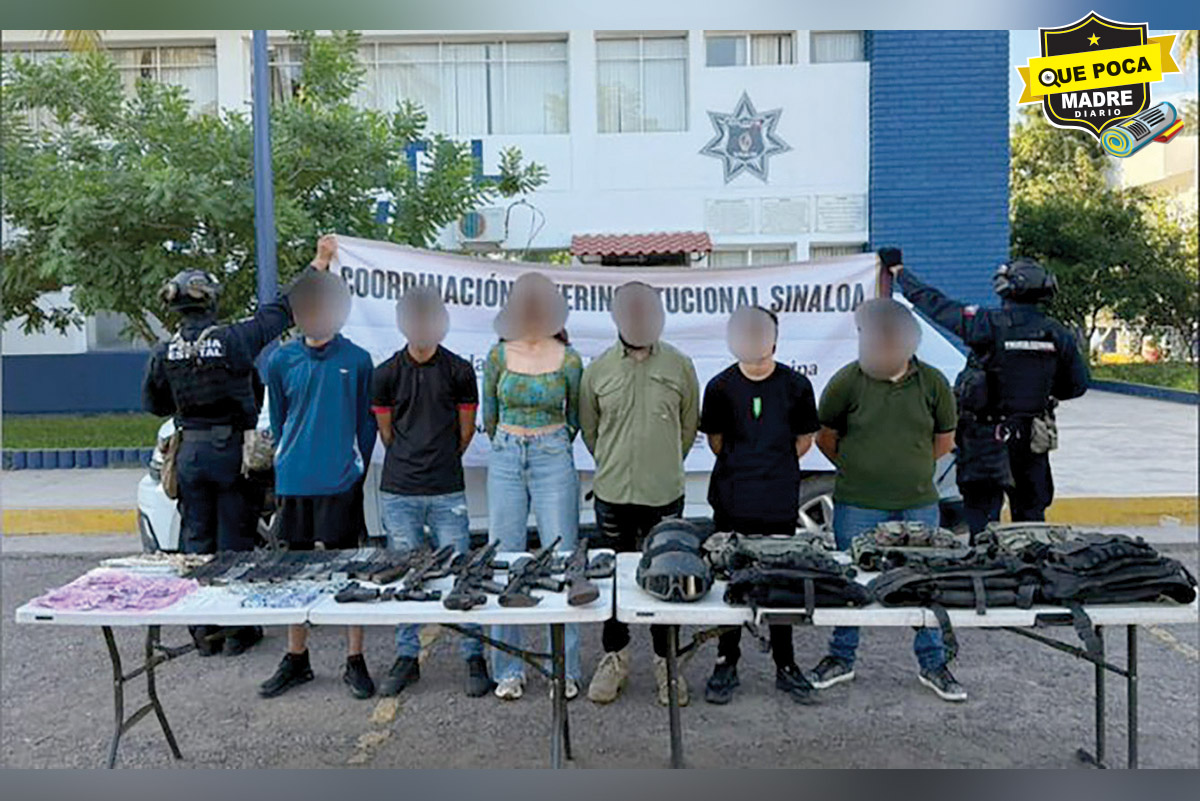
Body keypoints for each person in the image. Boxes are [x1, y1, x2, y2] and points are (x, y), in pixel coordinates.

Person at [142, 236, 335, 657]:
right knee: (235, 540)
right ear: (211, 301)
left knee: (196, 542)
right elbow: (283, 309)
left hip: (189, 454)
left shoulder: (164, 350)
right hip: (231, 453)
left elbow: (154, 404)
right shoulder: (234, 339)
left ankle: (204, 632)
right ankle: (236, 631)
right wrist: (319, 263)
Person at [807, 298, 966, 701]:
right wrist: (860, 469)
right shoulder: (848, 381)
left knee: (923, 584)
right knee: (850, 583)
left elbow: (944, 440)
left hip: (918, 503)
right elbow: (826, 437)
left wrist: (909, 470)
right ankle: (841, 657)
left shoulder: (933, 383)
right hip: (857, 503)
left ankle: (933, 664)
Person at [884, 250, 1089, 538]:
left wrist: (900, 272)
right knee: (1032, 523)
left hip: (984, 439)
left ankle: (986, 564)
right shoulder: (1057, 334)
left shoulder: (985, 323)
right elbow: (1076, 386)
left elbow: (936, 304)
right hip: (1031, 440)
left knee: (982, 523)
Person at [258, 261, 378, 700]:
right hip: (294, 482)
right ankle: (296, 658)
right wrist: (290, 459)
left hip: (341, 482)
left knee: (350, 572)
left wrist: (355, 469)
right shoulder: (281, 360)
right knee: (295, 575)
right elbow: (280, 419)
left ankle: (355, 659)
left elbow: (366, 426)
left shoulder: (358, 361)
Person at [581, 281, 700, 707]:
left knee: (667, 578)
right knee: (615, 584)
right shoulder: (597, 370)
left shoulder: (680, 365)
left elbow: (688, 428)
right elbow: (591, 431)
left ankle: (667, 665)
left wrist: (661, 464)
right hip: (612, 494)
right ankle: (614, 659)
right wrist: (615, 463)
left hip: (664, 494)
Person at [371, 285, 492, 699]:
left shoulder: (460, 370)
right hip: (399, 491)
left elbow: (465, 432)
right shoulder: (385, 373)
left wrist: (439, 460)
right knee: (407, 576)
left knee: (461, 573)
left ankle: (473, 654)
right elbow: (387, 434)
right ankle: (407, 657)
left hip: (446, 490)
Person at [700, 306, 821, 705]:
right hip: (732, 500)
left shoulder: (796, 385)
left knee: (779, 581)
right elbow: (716, 442)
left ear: (774, 339)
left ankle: (785, 663)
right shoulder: (719, 387)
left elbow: (804, 440)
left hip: (778, 502)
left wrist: (773, 467)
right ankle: (726, 660)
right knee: (730, 582)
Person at [483, 272, 584, 701]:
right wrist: (512, 441)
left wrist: (549, 441)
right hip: (505, 454)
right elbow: (489, 414)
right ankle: (508, 668)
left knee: (561, 559)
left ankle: (565, 668)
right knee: (504, 560)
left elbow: (576, 416)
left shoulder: (569, 359)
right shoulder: (497, 355)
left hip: (553, 455)